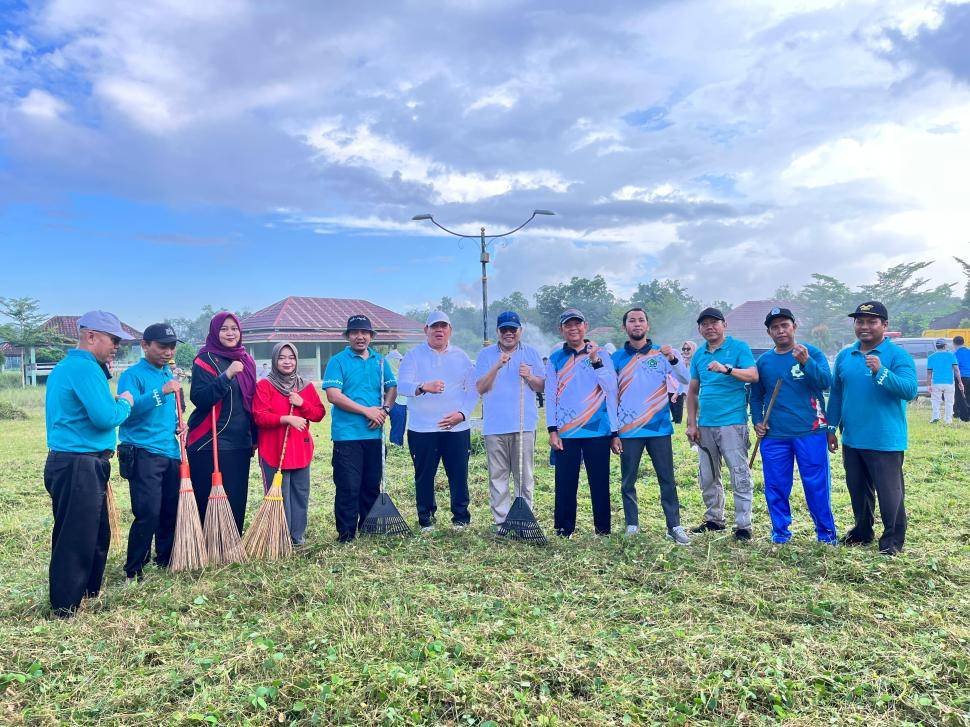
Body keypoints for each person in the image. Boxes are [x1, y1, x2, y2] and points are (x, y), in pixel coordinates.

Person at [44, 311, 134, 616]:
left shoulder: (73, 367)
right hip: (78, 464)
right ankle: (65, 607)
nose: (116, 346)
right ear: (91, 336)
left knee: (96, 533)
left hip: (78, 462)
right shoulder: (84, 369)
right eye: (113, 339)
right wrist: (125, 402)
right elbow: (105, 417)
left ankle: (87, 591)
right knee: (76, 535)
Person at [827, 301, 917, 555]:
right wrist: (831, 427)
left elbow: (909, 390)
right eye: (860, 321)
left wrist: (882, 371)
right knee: (858, 490)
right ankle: (862, 531)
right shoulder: (846, 355)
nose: (864, 326)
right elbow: (836, 393)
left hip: (885, 438)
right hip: (852, 437)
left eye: (871, 321)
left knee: (890, 494)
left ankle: (892, 541)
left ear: (884, 325)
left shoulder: (897, 356)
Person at [749, 308, 837, 545]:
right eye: (775, 327)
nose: (780, 330)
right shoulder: (765, 361)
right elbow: (756, 396)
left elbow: (825, 382)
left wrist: (806, 362)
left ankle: (826, 534)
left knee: (816, 485)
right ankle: (780, 532)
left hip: (811, 431)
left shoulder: (810, 353)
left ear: (794, 326)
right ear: (769, 332)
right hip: (775, 435)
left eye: (785, 325)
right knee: (776, 485)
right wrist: (757, 420)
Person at [610, 308, 691, 543]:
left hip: (659, 428)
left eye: (641, 320)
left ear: (648, 325)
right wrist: (613, 432)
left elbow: (685, 379)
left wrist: (673, 359)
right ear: (625, 327)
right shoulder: (615, 358)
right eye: (632, 321)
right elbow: (609, 396)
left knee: (667, 478)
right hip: (628, 430)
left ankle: (674, 526)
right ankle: (632, 524)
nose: (637, 324)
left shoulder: (662, 354)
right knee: (628, 480)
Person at [397, 311, 477, 531]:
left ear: (450, 330)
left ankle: (461, 517)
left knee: (459, 474)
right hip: (422, 428)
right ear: (426, 330)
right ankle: (426, 518)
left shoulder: (461, 357)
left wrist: (462, 414)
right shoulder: (413, 356)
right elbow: (401, 385)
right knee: (424, 476)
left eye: (443, 326)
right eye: (434, 327)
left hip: (457, 428)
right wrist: (423, 387)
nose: (439, 330)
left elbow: (473, 390)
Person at [116, 323, 183, 581]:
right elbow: (127, 411)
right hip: (142, 451)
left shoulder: (169, 375)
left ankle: (164, 558)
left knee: (169, 509)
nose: (168, 352)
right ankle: (134, 568)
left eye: (172, 347)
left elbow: (170, 411)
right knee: (148, 512)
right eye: (162, 346)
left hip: (170, 450)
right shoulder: (132, 376)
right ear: (145, 345)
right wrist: (160, 392)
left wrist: (180, 423)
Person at [685, 307, 759, 540]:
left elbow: (753, 375)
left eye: (714, 322)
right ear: (699, 329)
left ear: (724, 325)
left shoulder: (739, 348)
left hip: (732, 423)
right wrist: (691, 423)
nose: (710, 327)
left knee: (739, 473)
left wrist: (726, 369)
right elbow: (693, 391)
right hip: (705, 424)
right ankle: (714, 519)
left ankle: (743, 525)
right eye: (704, 324)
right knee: (707, 475)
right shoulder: (698, 355)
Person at [545, 308, 618, 537]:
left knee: (599, 481)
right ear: (562, 329)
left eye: (577, 324)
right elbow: (550, 395)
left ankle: (603, 529)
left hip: (597, 428)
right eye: (568, 325)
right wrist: (552, 429)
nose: (573, 328)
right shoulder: (556, 358)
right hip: (567, 432)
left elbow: (611, 388)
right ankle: (563, 528)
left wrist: (596, 361)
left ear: (585, 326)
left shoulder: (601, 353)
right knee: (565, 483)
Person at [323, 316, 397, 541]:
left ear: (371, 336)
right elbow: (333, 396)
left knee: (371, 484)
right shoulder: (338, 361)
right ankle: (346, 533)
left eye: (365, 332)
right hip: (347, 436)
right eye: (354, 332)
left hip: (374, 435)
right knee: (348, 486)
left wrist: (383, 410)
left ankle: (369, 527)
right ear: (347, 336)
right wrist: (367, 411)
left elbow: (392, 388)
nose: (360, 336)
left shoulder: (380, 361)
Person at [185, 312, 257, 535]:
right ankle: (207, 543)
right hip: (210, 440)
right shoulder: (204, 359)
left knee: (236, 496)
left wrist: (254, 437)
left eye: (234, 328)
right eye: (224, 329)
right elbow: (200, 398)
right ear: (215, 332)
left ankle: (232, 542)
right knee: (207, 498)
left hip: (240, 441)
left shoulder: (247, 360)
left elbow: (252, 401)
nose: (230, 333)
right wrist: (226, 375)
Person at [475, 311, 545, 528]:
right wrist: (497, 366)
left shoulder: (531, 354)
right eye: (504, 330)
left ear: (519, 331)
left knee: (524, 476)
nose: (508, 334)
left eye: (512, 330)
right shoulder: (486, 355)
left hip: (524, 425)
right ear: (497, 332)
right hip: (495, 427)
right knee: (498, 477)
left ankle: (525, 519)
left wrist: (530, 376)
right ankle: (502, 523)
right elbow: (480, 388)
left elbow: (542, 386)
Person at [253, 342, 326, 545]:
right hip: (274, 451)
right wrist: (286, 418)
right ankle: (279, 536)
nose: (287, 361)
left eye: (291, 357)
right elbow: (259, 416)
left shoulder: (305, 386)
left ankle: (297, 536)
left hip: (300, 450)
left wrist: (302, 403)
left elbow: (319, 414)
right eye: (282, 357)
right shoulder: (264, 385)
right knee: (279, 496)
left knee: (300, 494)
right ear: (275, 360)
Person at [927, 338, 963, 425]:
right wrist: (960, 382)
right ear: (945, 346)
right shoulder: (951, 355)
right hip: (949, 382)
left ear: (936, 346)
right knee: (949, 401)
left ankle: (935, 417)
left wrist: (928, 385)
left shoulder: (931, 357)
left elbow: (929, 373)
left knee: (935, 400)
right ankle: (948, 420)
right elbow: (956, 370)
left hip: (936, 382)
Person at [668, 341, 696, 424]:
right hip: (688, 394)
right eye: (684, 349)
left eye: (688, 349)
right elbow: (683, 381)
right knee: (691, 421)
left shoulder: (697, 362)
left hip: (698, 395)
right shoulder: (682, 363)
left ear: (693, 349)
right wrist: (677, 393)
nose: (685, 351)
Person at [386, 346, 408, 446]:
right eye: (399, 361)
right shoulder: (387, 375)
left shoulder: (402, 374)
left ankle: (398, 444)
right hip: (394, 402)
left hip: (402, 402)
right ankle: (395, 443)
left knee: (401, 424)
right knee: (397, 424)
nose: (401, 363)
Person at [954, 336, 970, 422]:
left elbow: (956, 368)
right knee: (968, 396)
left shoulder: (956, 354)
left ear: (954, 344)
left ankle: (964, 417)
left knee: (960, 397)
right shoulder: (969, 351)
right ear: (963, 342)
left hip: (962, 377)